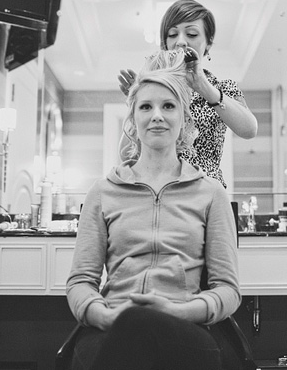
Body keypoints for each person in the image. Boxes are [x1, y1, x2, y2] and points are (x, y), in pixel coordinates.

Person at [66, 57, 241, 370]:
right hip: (111, 325)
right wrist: (103, 315)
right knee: (133, 329)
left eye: (168, 106)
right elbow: (80, 282)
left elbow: (227, 290)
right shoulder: (102, 191)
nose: (157, 116)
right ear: (133, 118)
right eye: (146, 107)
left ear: (185, 118)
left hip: (186, 326)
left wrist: (183, 311)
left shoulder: (212, 193)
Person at [118, 0, 258, 188]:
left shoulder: (223, 88)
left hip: (207, 195)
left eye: (191, 34)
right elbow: (126, 154)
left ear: (208, 44)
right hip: (159, 193)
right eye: (173, 34)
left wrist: (204, 87)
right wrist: (137, 104)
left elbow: (249, 130)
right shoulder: (151, 90)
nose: (181, 42)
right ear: (164, 44)